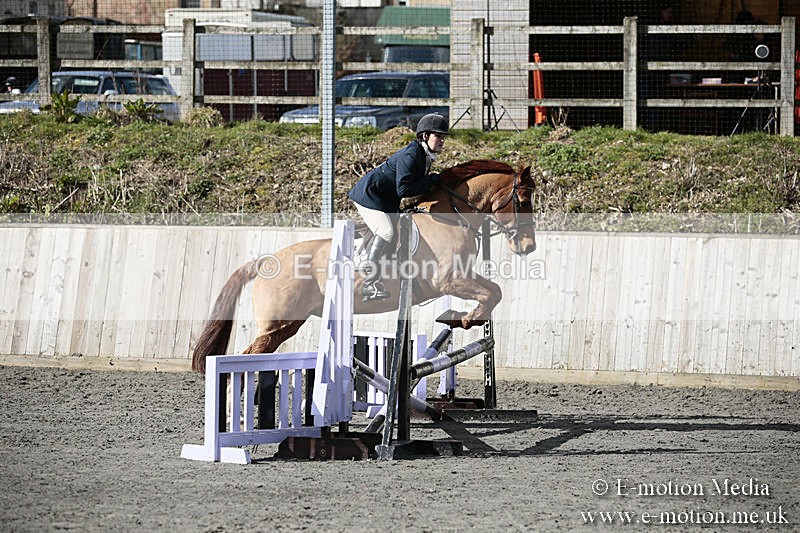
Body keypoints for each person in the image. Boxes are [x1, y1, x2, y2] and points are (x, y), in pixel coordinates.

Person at [348, 113, 449, 301]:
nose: (443, 140)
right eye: (439, 135)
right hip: (369, 197)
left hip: (385, 200)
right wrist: (431, 180)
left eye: (444, 136)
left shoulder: (423, 155)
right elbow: (403, 189)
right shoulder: (411, 155)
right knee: (386, 232)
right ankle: (369, 283)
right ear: (425, 136)